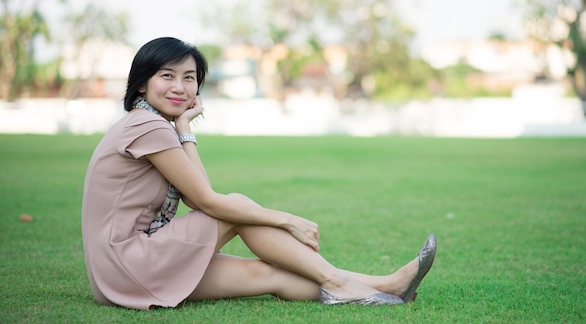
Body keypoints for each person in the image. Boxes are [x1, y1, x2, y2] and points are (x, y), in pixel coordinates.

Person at [81, 37, 437, 310]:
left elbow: (197, 192)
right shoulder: (147, 126)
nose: (179, 87)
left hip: (114, 280)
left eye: (189, 78)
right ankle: (338, 281)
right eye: (167, 76)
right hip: (131, 261)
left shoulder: (152, 124)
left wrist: (185, 125)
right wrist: (286, 220)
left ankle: (385, 286)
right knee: (235, 205)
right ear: (142, 84)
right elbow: (206, 200)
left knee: (268, 274)